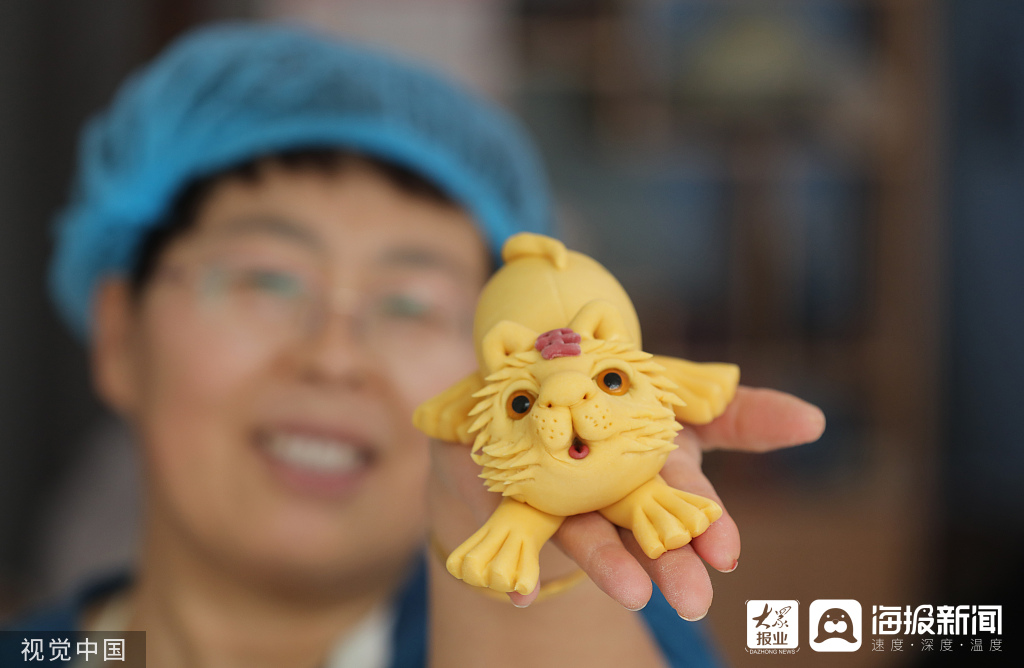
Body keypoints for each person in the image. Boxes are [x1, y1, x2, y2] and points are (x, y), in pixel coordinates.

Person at [4, 22, 825, 667]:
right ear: (120, 334)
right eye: (267, 280)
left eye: (412, 304)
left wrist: (537, 565)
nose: (334, 356)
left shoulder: (610, 628)